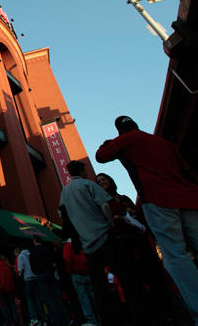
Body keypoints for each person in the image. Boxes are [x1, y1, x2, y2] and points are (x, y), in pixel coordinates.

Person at [96, 115, 198, 324]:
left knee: (176, 256)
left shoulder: (127, 139)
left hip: (158, 200)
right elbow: (188, 172)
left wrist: (109, 142)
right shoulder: (163, 143)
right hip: (189, 198)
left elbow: (101, 155)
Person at [59, 159, 150, 326]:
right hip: (104, 236)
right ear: (82, 170)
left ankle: (110, 318)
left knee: (99, 286)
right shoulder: (88, 185)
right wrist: (109, 223)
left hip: (88, 245)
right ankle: (140, 315)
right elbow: (105, 206)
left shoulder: (65, 192)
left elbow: (63, 214)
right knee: (125, 277)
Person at [62, 238, 98, 326]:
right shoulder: (82, 241)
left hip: (76, 273)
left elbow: (67, 259)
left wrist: (69, 270)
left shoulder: (68, 245)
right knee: (92, 296)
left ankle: (91, 319)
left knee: (83, 297)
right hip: (87, 271)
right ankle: (98, 317)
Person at [16, 243, 44, 326]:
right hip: (35, 277)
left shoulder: (21, 256)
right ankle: (42, 318)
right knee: (37, 299)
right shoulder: (31, 254)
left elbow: (20, 269)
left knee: (30, 300)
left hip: (27, 279)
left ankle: (34, 318)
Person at [0, 254, 17, 326]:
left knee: (4, 306)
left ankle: (8, 321)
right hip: (11, 288)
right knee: (12, 304)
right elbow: (15, 277)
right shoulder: (9, 267)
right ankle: (15, 320)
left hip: (1, 289)